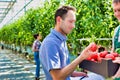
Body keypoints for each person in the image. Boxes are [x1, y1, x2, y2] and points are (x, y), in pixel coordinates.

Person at [39, 5, 104, 80]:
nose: (73, 26)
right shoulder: (51, 43)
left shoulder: (60, 40)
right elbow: (57, 77)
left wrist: (74, 73)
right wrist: (81, 57)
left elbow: (62, 69)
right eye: (70, 21)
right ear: (59, 20)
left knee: (97, 76)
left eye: (74, 22)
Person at [112, 0, 120, 79]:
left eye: (119, 10)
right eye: (115, 10)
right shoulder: (116, 30)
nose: (117, 14)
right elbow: (112, 52)